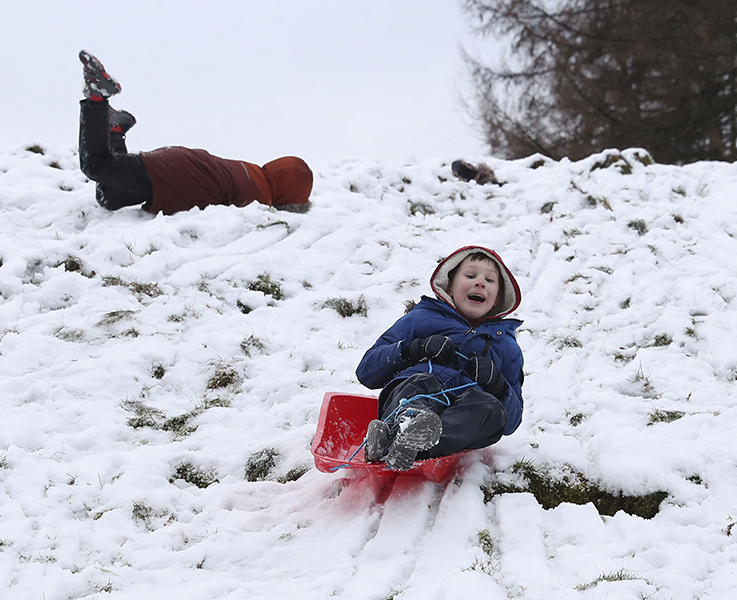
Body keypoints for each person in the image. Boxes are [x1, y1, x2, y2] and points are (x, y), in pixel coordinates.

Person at [77, 51, 313, 216]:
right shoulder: (257, 200)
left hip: (177, 164)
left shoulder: (254, 172)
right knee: (96, 166)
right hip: (172, 175)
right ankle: (98, 96)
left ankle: (115, 130)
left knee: (110, 197)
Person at [355, 246, 525, 471]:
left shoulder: (506, 347)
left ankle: (404, 442)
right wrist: (414, 349)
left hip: (460, 415)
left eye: (490, 280)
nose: (480, 282)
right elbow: (367, 370)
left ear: (497, 299)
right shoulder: (422, 319)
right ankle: (404, 426)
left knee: (490, 409)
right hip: (415, 394)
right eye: (470, 275)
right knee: (420, 381)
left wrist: (497, 384)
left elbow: (511, 421)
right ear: (450, 287)